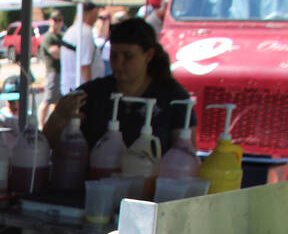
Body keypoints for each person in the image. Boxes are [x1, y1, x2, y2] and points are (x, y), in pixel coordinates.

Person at [44, 18, 196, 153]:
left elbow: (186, 156)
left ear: (149, 55)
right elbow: (48, 143)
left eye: (128, 56)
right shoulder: (91, 94)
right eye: (114, 55)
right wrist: (60, 116)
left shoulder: (174, 98)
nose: (118, 63)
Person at [60, 3, 105, 96]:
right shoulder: (84, 33)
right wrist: (91, 92)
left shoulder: (73, 30)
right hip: (80, 93)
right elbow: (85, 66)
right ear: (93, 12)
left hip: (73, 89)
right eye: (97, 11)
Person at [38, 12, 66, 127]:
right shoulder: (48, 37)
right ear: (50, 21)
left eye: (60, 20)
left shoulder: (62, 36)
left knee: (57, 102)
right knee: (48, 100)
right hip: (53, 72)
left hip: (61, 72)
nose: (57, 23)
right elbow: (55, 52)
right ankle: (41, 125)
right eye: (55, 20)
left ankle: (52, 124)